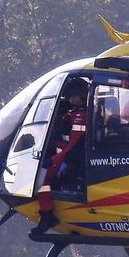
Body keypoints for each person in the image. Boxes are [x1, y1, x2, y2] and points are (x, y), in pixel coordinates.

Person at [32, 78, 88, 236]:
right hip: (67, 155)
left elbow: (75, 144)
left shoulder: (82, 115)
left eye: (73, 96)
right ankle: (48, 213)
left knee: (41, 179)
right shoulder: (73, 114)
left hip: (72, 157)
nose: (70, 100)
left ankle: (47, 215)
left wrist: (59, 160)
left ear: (82, 95)